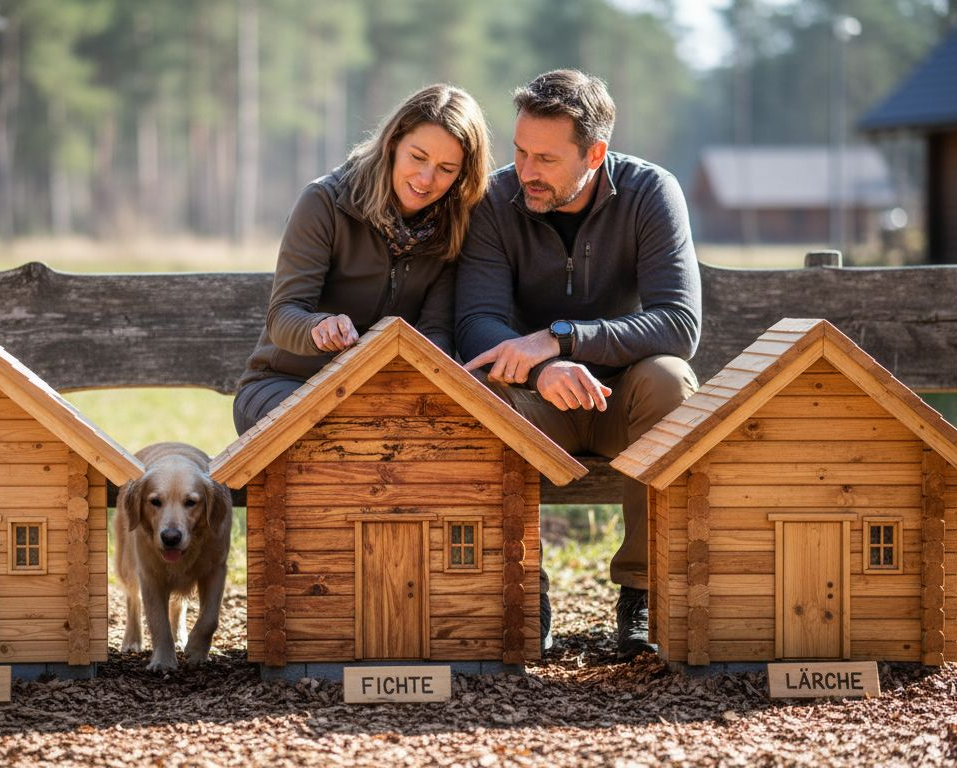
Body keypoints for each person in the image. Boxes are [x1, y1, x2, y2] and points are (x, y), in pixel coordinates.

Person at [456, 69, 701, 660]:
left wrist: (561, 340)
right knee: (482, 392)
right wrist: (542, 370)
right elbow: (476, 323)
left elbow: (678, 324)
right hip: (535, 406)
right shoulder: (494, 201)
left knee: (671, 380)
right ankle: (522, 587)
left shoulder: (650, 193)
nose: (526, 171)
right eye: (520, 151)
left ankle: (643, 591)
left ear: (595, 153)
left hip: (627, 403)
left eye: (546, 158)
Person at [233, 84, 492, 433]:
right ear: (393, 142)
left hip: (383, 398)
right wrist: (318, 328)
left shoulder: (454, 226)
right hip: (285, 384)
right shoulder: (325, 202)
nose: (426, 179)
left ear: (463, 173)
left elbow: (436, 335)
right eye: (418, 157)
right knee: (345, 439)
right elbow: (283, 316)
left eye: (446, 168)